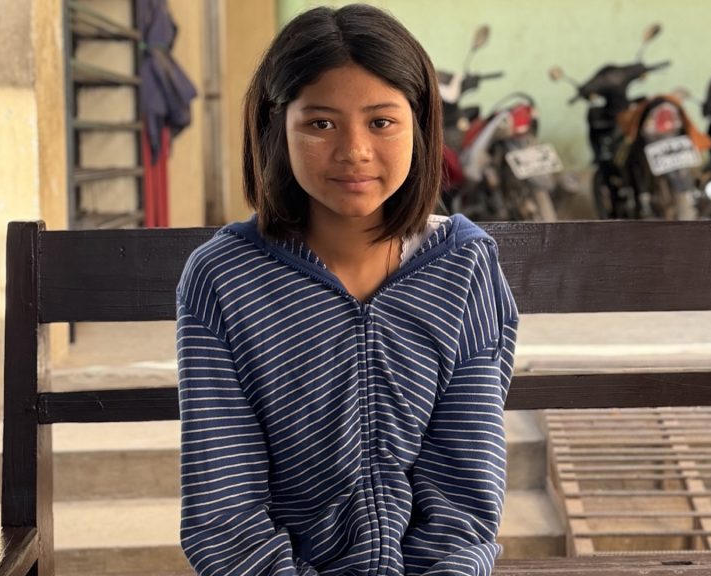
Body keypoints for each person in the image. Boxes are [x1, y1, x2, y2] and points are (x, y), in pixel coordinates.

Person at [175, 4, 519, 575]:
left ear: (421, 125)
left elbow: (462, 497)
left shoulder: (465, 270)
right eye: (320, 123)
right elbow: (224, 511)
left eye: (382, 122)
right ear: (275, 126)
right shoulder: (224, 280)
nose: (354, 150)